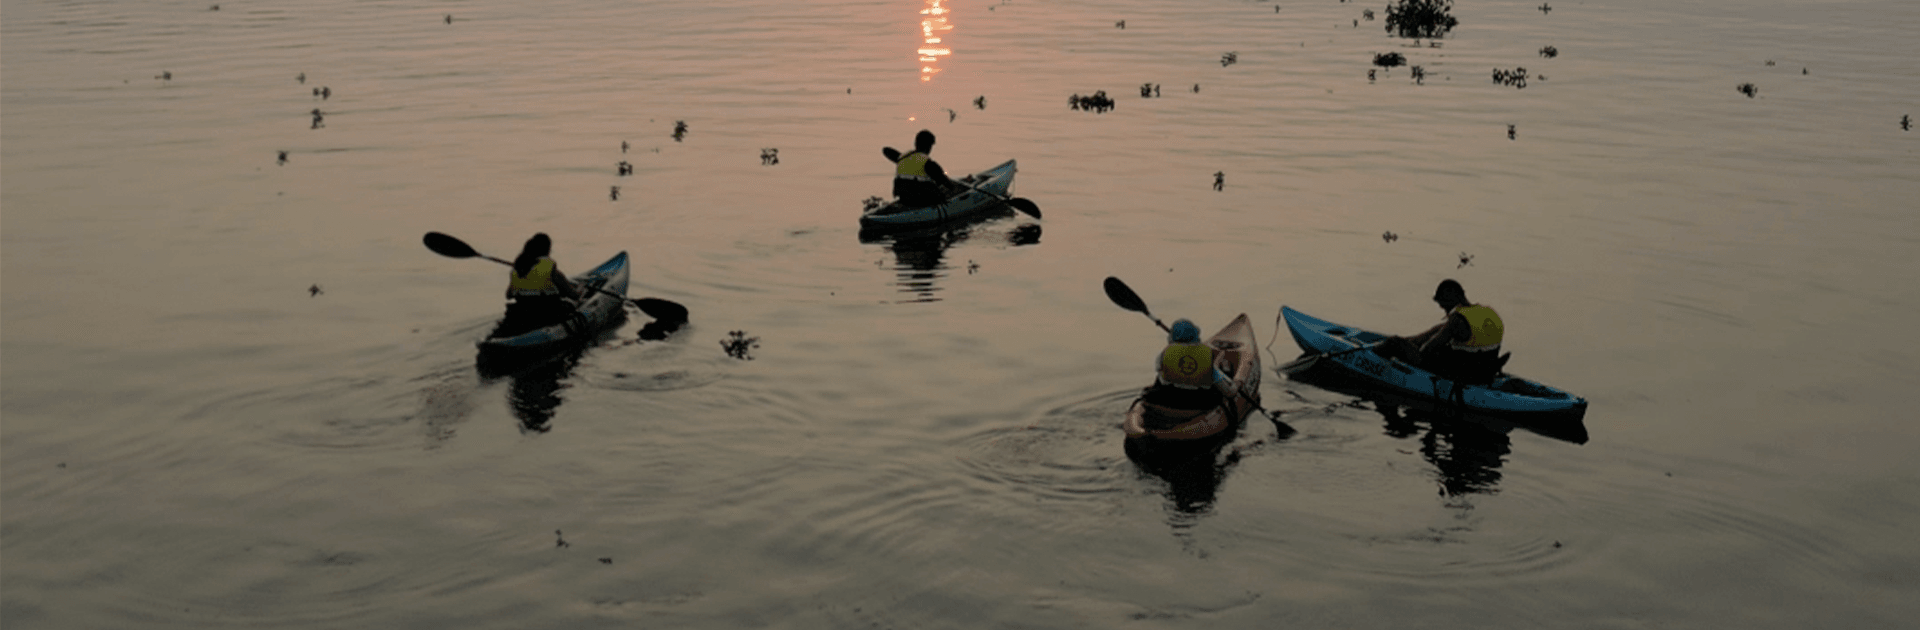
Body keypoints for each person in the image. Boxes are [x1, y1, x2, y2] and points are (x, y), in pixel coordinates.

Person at [1374, 279, 1507, 384]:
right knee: (1438, 329)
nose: (1443, 309)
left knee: (1394, 342)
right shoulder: (1489, 313)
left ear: (1450, 298)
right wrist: (1415, 341)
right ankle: (1408, 341)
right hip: (1483, 372)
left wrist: (1404, 347)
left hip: (1458, 375)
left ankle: (1371, 357)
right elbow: (1449, 332)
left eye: (1443, 305)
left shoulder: (1456, 320)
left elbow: (1426, 352)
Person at [497, 233, 581, 337]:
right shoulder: (550, 268)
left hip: (520, 313)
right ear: (547, 249)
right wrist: (579, 291)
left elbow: (508, 295)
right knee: (571, 305)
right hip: (545, 313)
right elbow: (573, 295)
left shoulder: (517, 268)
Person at [1140, 319, 1233, 412]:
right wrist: (1236, 383)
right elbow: (1228, 392)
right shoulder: (1205, 356)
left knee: (1152, 388)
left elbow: (1162, 381)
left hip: (1168, 400)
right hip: (1199, 402)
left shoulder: (1162, 356)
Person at [881, 130, 955, 208]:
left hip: (904, 198)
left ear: (915, 144)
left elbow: (885, 150)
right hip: (920, 199)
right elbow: (943, 180)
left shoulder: (903, 157)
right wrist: (953, 188)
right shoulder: (928, 163)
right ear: (929, 146)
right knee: (939, 189)